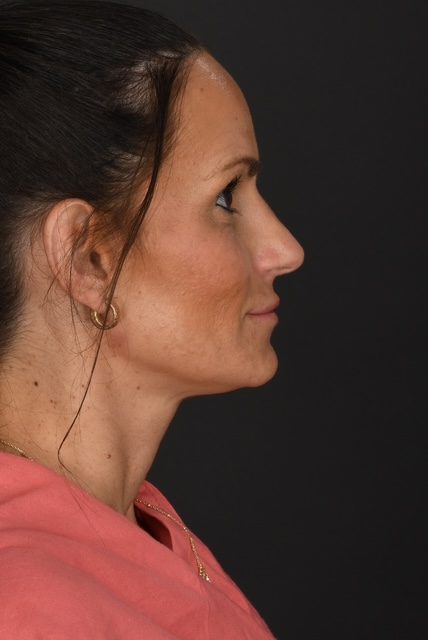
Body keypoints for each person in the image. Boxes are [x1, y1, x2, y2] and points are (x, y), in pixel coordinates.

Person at [0, 1, 304, 637]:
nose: (285, 250)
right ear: (88, 257)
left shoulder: (131, 525)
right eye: (227, 196)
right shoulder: (32, 604)